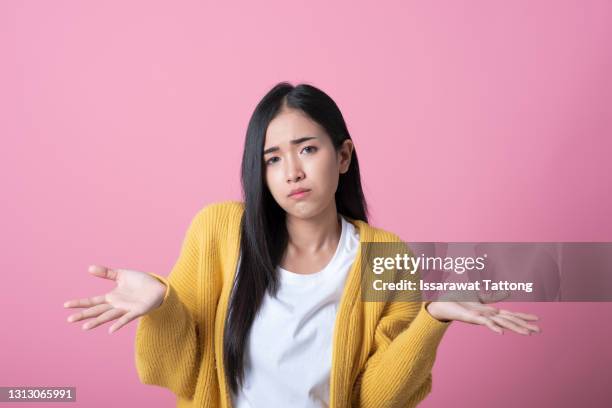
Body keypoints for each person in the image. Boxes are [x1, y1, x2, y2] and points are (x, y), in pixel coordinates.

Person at [64, 82, 540, 408]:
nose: (292, 170)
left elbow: (374, 398)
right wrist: (163, 306)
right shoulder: (219, 232)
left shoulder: (385, 256)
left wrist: (432, 319)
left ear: (344, 155)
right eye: (273, 158)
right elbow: (178, 374)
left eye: (308, 149)